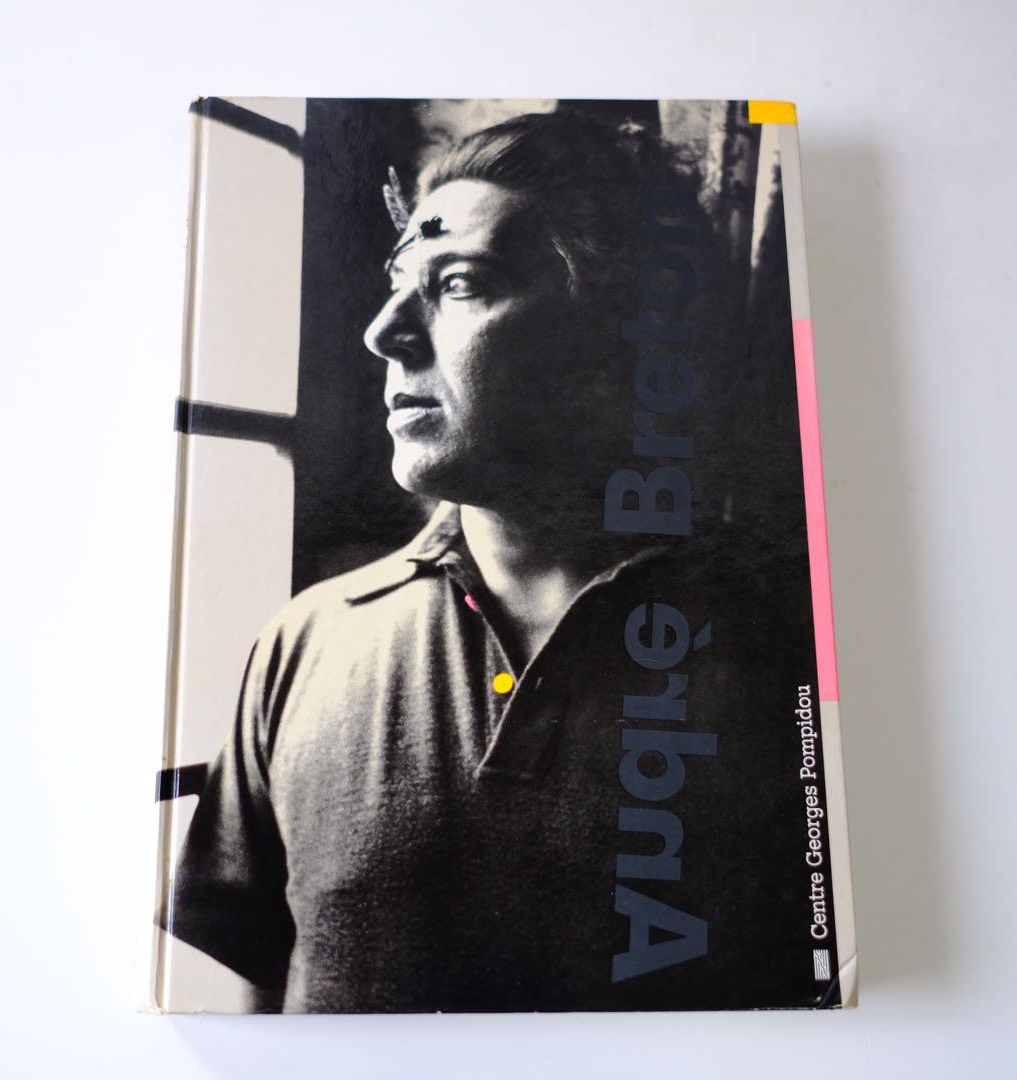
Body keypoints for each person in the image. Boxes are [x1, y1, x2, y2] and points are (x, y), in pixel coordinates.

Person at [162, 111, 736, 1012]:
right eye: (398, 283)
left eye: (459, 284)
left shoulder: (771, 654)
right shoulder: (306, 641)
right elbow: (245, 1004)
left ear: (613, 338)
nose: (384, 332)